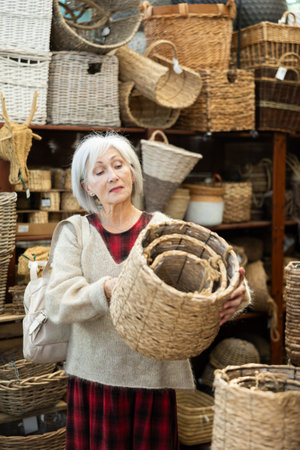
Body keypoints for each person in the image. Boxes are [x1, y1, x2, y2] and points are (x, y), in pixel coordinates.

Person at [45, 132, 251, 450]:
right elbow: (58, 301)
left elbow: (202, 284)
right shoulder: (77, 233)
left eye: (119, 165)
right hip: (96, 381)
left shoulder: (161, 229)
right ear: (87, 186)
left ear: (132, 171)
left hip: (152, 382)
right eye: (100, 171)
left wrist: (236, 296)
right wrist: (109, 289)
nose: (113, 175)